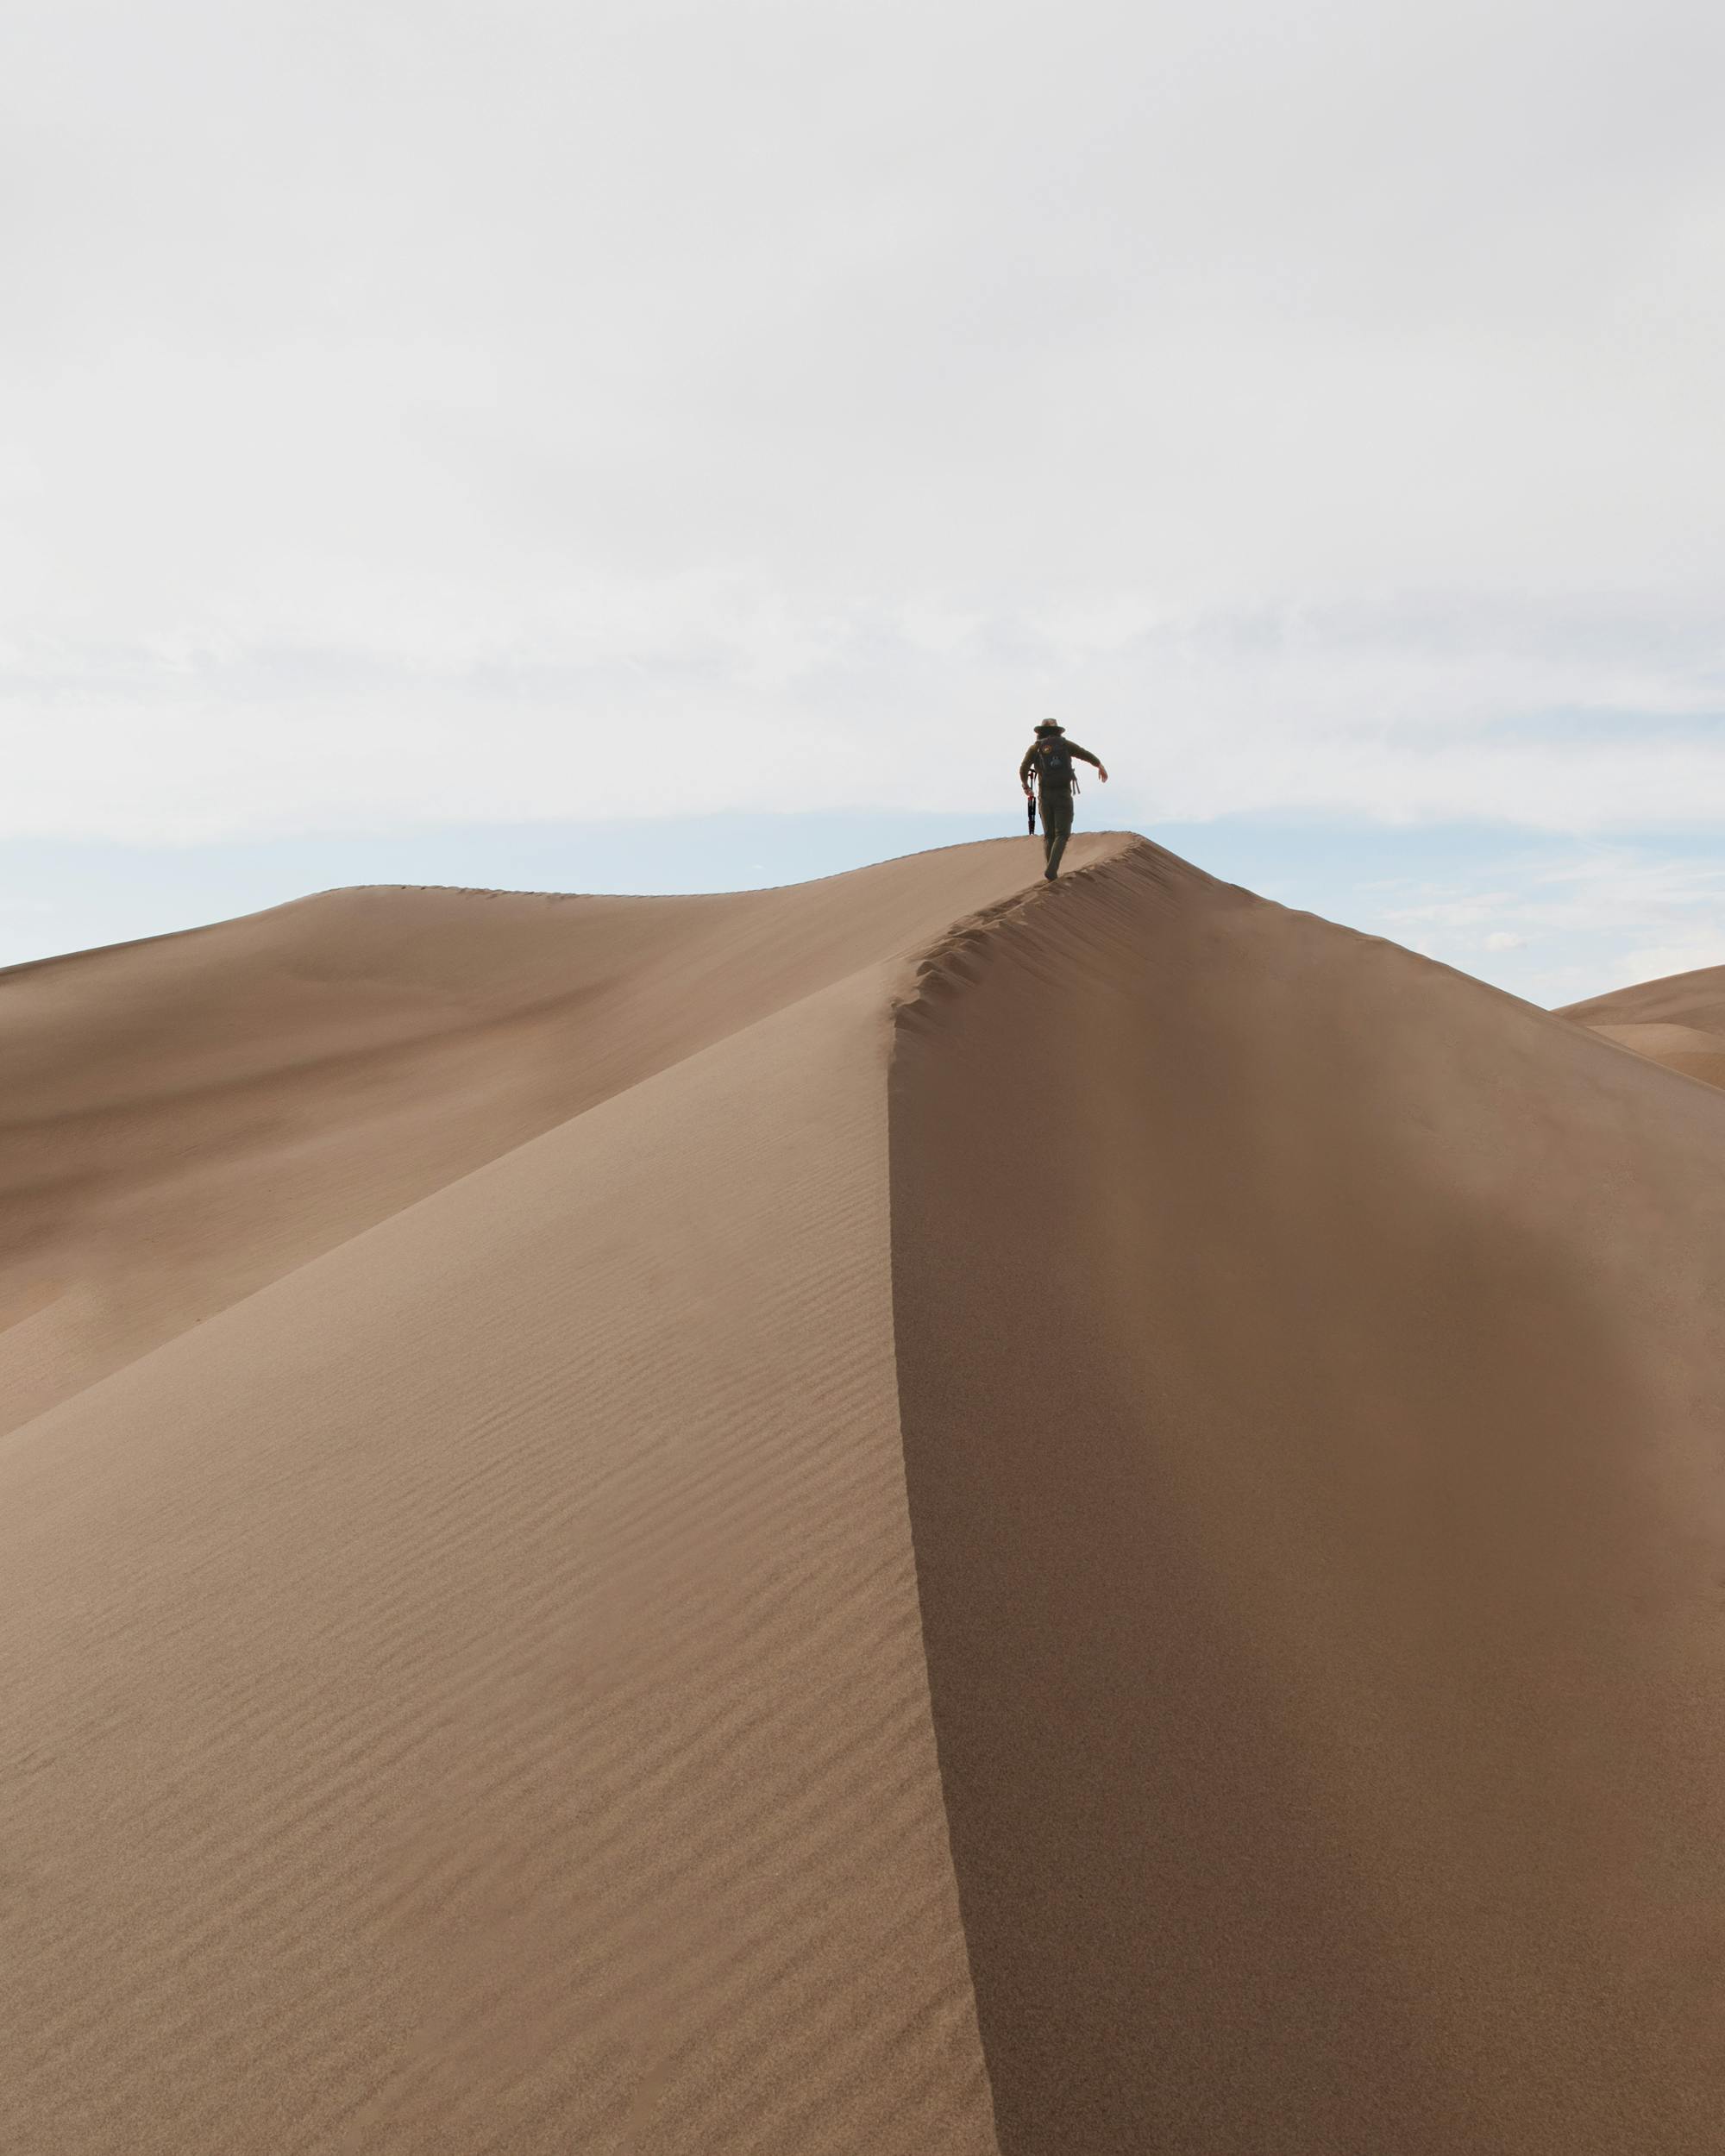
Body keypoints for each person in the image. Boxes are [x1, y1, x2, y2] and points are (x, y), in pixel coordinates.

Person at [1020, 720, 1108, 879]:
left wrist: (1026, 787)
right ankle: (1052, 870)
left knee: (1049, 835)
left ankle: (1051, 871)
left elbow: (1023, 768)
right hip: (1063, 794)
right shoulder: (1064, 744)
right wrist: (1099, 765)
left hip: (1045, 796)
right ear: (1057, 731)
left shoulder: (1035, 748)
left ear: (1041, 732)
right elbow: (1084, 753)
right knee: (1062, 834)